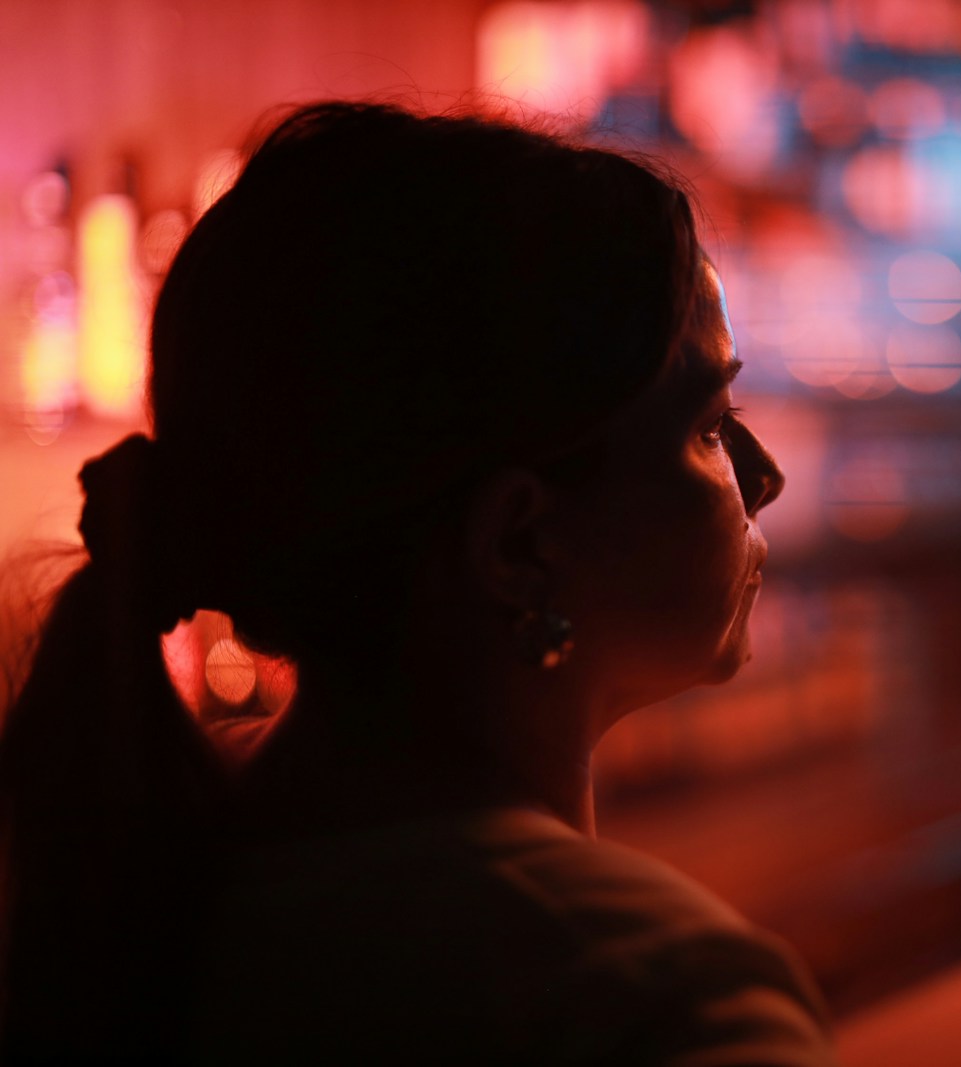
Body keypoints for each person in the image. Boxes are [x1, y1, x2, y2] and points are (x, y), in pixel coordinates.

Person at [0, 101, 836, 1064]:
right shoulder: (651, 995)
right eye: (707, 421)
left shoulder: (141, 873)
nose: (762, 474)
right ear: (518, 544)